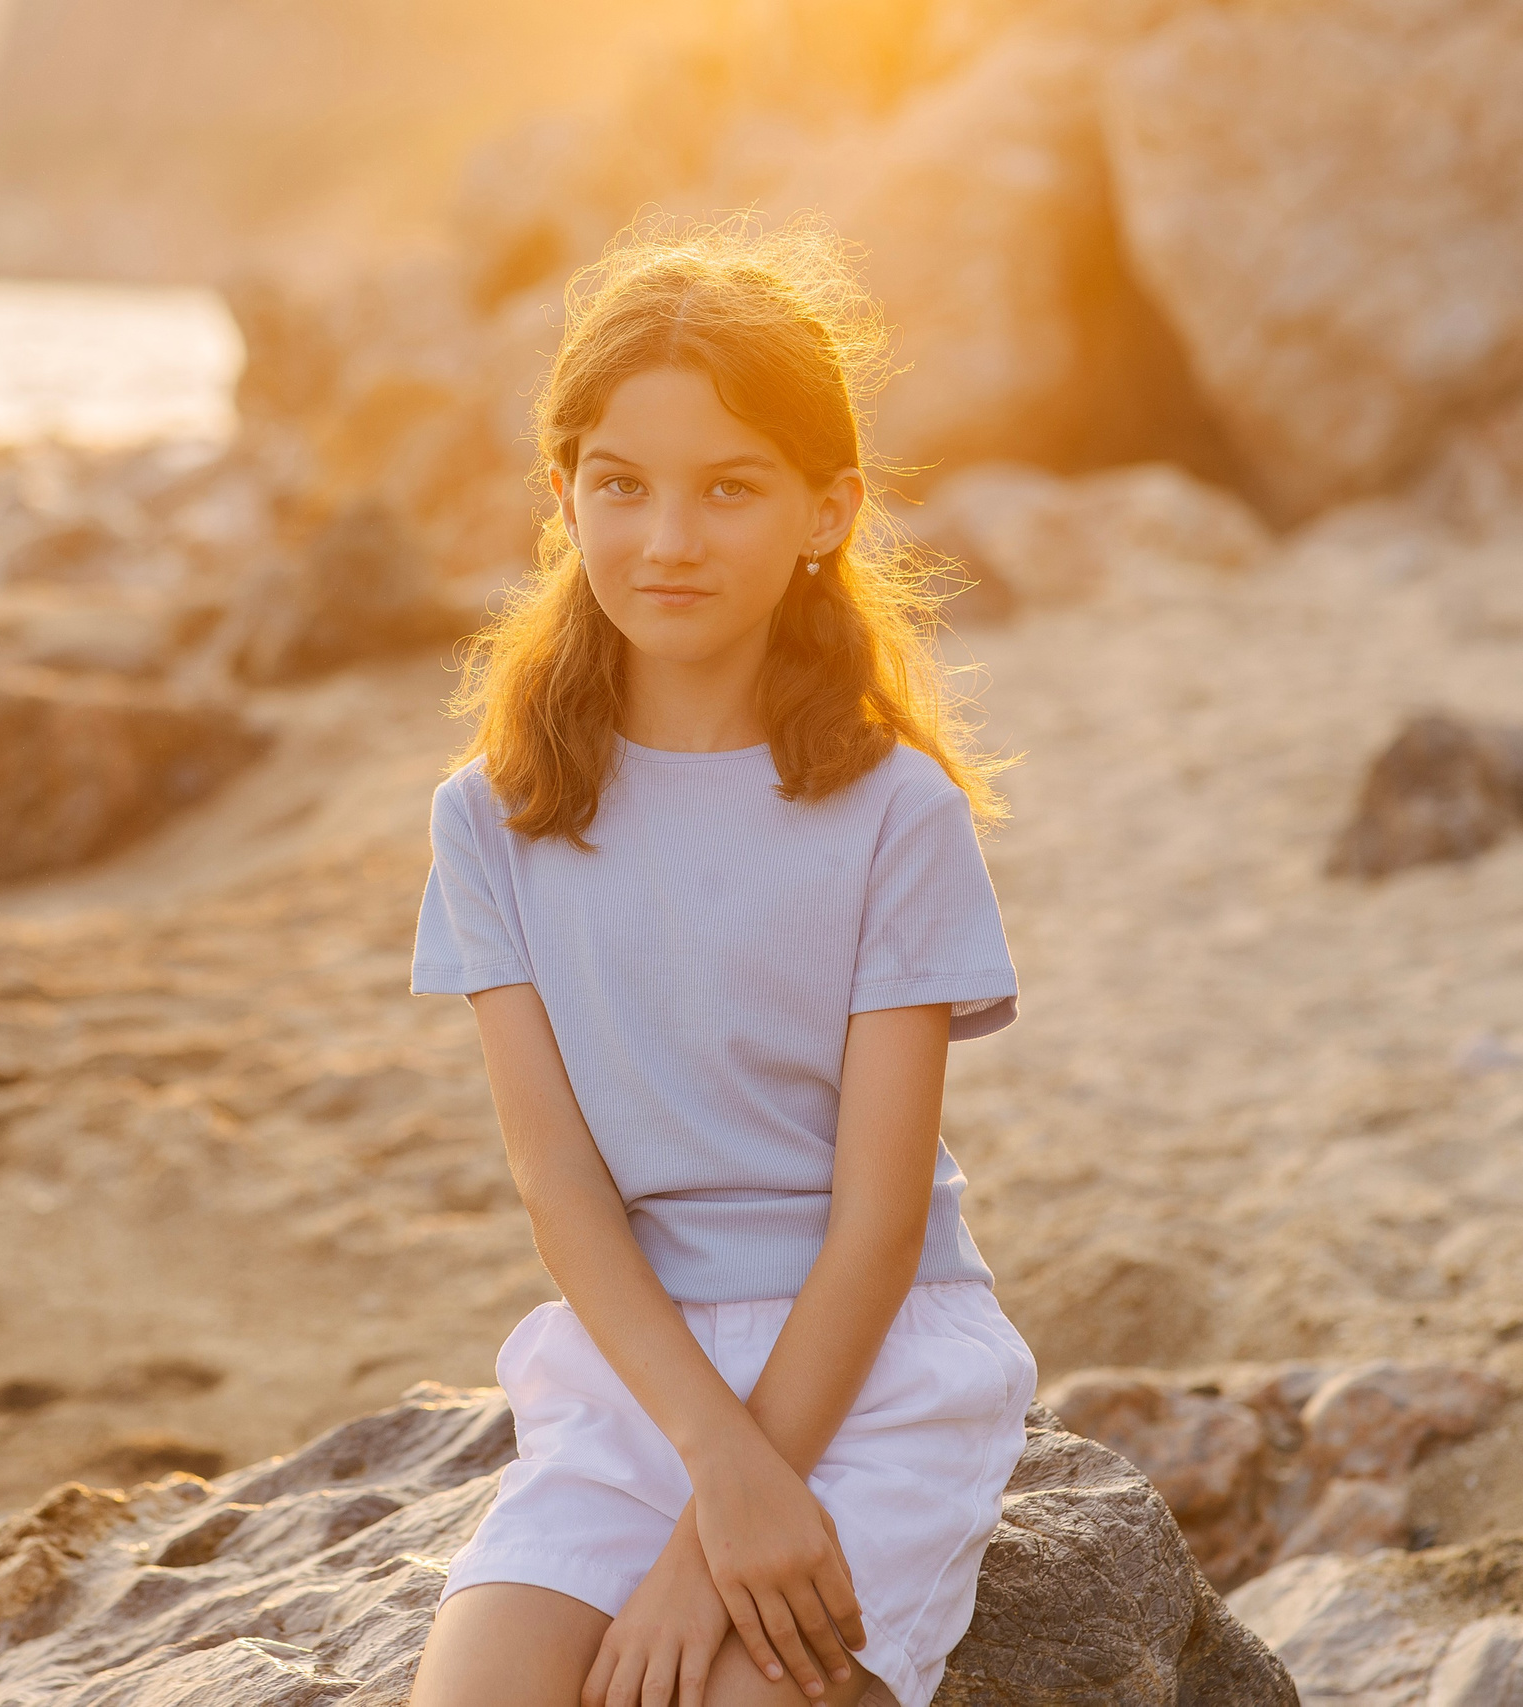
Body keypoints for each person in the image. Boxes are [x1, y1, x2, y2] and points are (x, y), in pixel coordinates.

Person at [402, 218, 1037, 1707]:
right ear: (562, 498)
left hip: (868, 1373)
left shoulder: (897, 815)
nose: (667, 539)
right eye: (619, 487)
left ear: (827, 510)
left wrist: (719, 1540)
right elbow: (562, 1187)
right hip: (635, 1377)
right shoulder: (490, 814)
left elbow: (879, 1224)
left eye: (728, 489)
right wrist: (704, 1466)